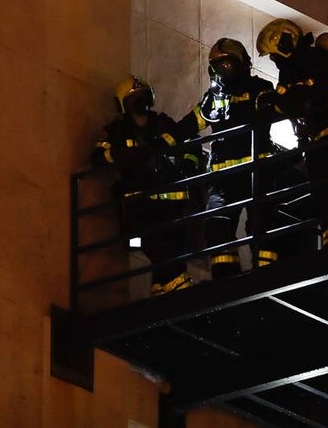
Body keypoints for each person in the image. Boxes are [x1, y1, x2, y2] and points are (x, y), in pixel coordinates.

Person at [178, 38, 291, 278]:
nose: (224, 69)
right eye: (219, 65)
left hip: (257, 172)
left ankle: (266, 276)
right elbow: (188, 125)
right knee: (217, 225)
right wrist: (161, 140)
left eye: (228, 64)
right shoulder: (212, 98)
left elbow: (273, 110)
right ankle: (225, 278)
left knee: (262, 224)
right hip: (223, 179)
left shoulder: (260, 88)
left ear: (241, 63)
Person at [92, 75, 202, 296]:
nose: (141, 101)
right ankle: (182, 290)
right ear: (124, 103)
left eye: (143, 96)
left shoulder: (163, 124)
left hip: (172, 206)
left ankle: (162, 292)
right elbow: (97, 157)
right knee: (156, 246)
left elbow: (192, 146)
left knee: (173, 250)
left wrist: (187, 166)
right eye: (135, 98)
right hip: (139, 207)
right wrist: (122, 154)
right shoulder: (118, 131)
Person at [256, 18, 328, 247]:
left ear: (285, 44)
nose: (273, 60)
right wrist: (267, 104)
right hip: (319, 139)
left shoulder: (313, 61)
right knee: (321, 192)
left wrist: (273, 100)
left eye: (273, 54)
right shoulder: (290, 71)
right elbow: (284, 104)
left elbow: (297, 101)